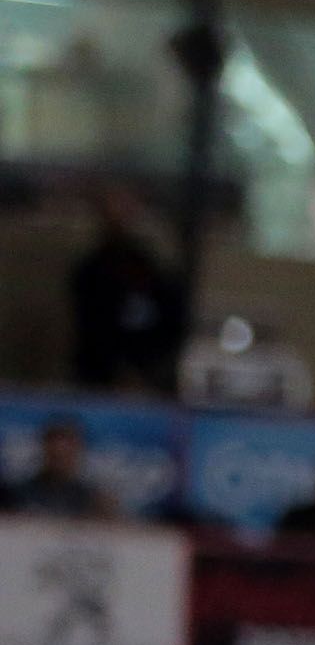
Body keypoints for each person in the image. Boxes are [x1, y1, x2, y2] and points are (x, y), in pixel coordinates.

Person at [65, 190, 184, 394]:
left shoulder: (150, 269)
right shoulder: (90, 270)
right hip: (98, 380)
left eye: (127, 209)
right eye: (113, 210)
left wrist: (147, 371)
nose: (121, 217)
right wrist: (118, 371)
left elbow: (170, 321)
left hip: (148, 374)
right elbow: (92, 327)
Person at [10, 414, 113, 519]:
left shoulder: (92, 499)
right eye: (55, 453)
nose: (60, 452)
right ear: (44, 449)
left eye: (67, 451)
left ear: (78, 451)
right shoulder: (17, 495)